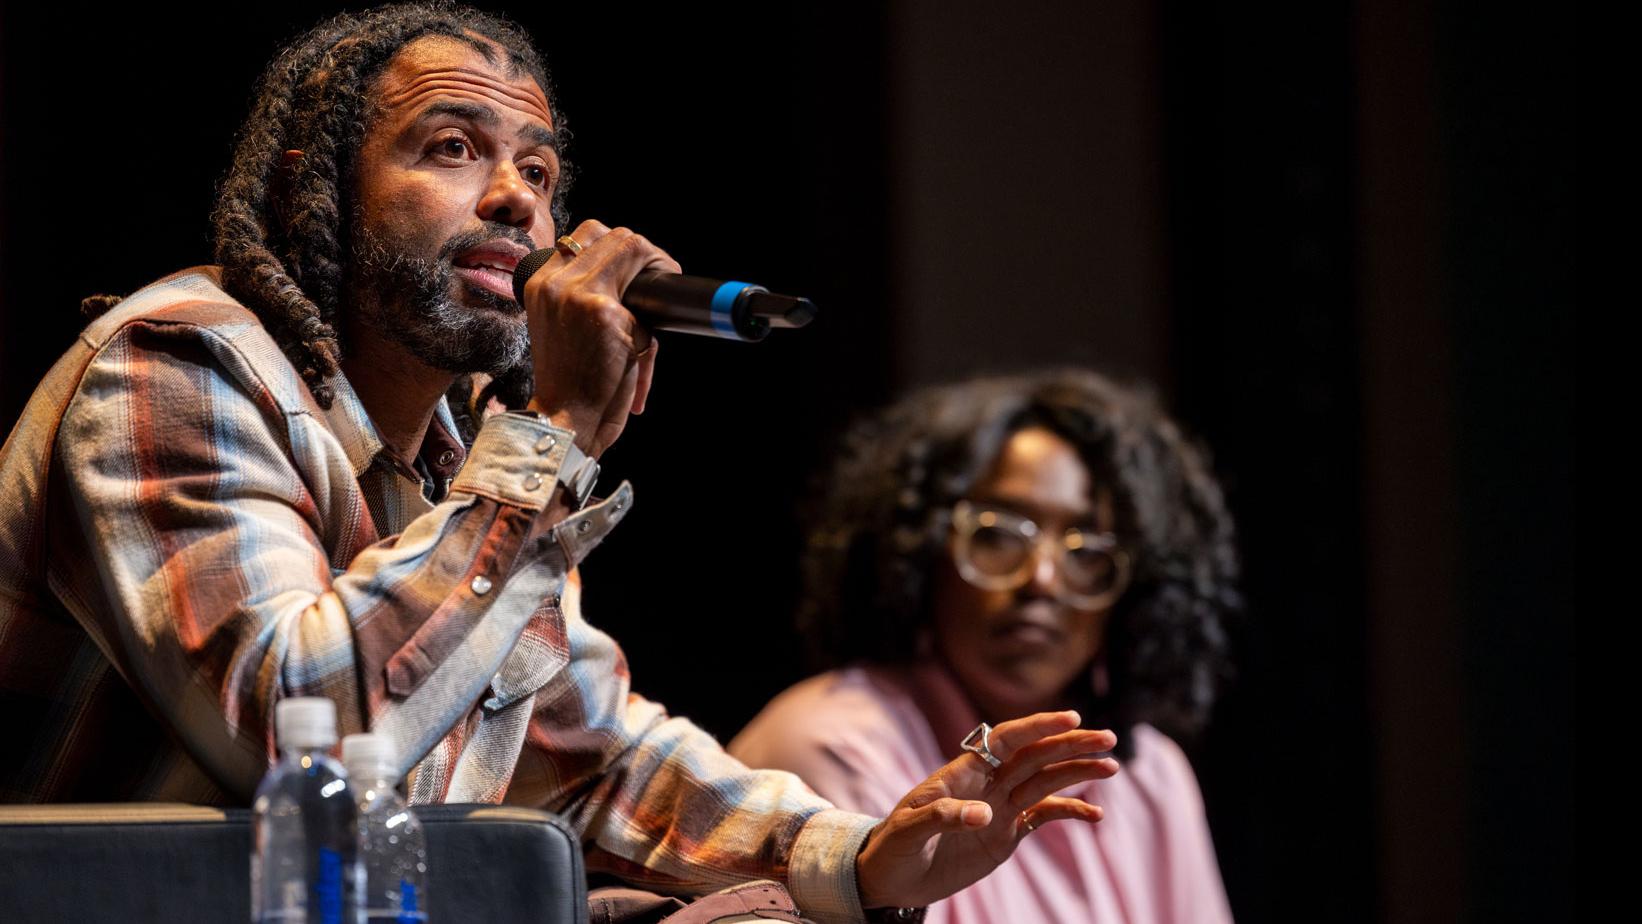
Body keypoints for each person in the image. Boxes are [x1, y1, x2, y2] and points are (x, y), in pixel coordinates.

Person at [0, 5, 1125, 921]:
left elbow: (585, 751)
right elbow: (310, 745)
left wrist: (863, 855)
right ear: (318, 182)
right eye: (453, 148)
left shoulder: (458, 455)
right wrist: (554, 439)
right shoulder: (175, 369)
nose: (515, 200)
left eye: (537, 172)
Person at [731, 370, 1240, 922]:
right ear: (922, 554)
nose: (1041, 578)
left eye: (1087, 549)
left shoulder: (1151, 774)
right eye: (999, 535)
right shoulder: (832, 745)